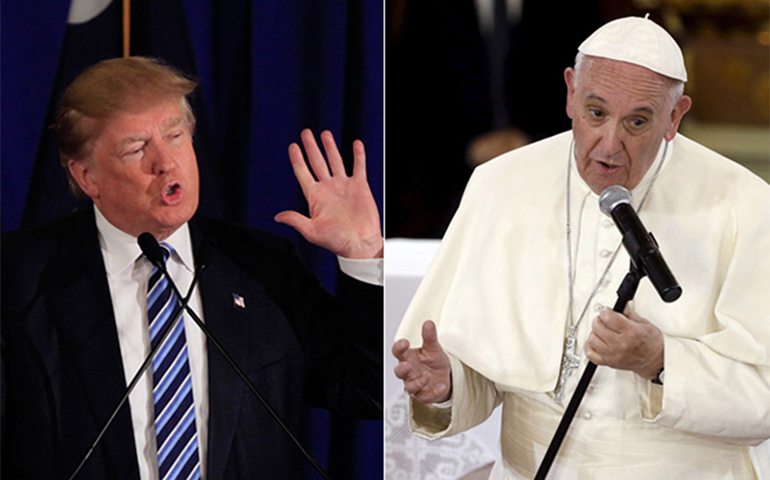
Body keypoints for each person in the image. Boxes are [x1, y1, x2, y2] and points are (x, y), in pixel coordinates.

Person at [393, 16, 769, 479]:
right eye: (596, 113)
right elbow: (485, 369)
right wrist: (449, 384)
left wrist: (661, 361)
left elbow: (765, 399)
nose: (610, 144)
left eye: (637, 121)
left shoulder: (746, 205)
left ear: (675, 117)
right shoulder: (501, 184)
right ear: (570, 92)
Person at [2, 56, 383, 479]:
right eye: (135, 148)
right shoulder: (19, 280)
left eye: (176, 136)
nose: (165, 162)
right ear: (87, 176)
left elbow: (370, 391)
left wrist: (362, 253)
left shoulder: (263, 268)